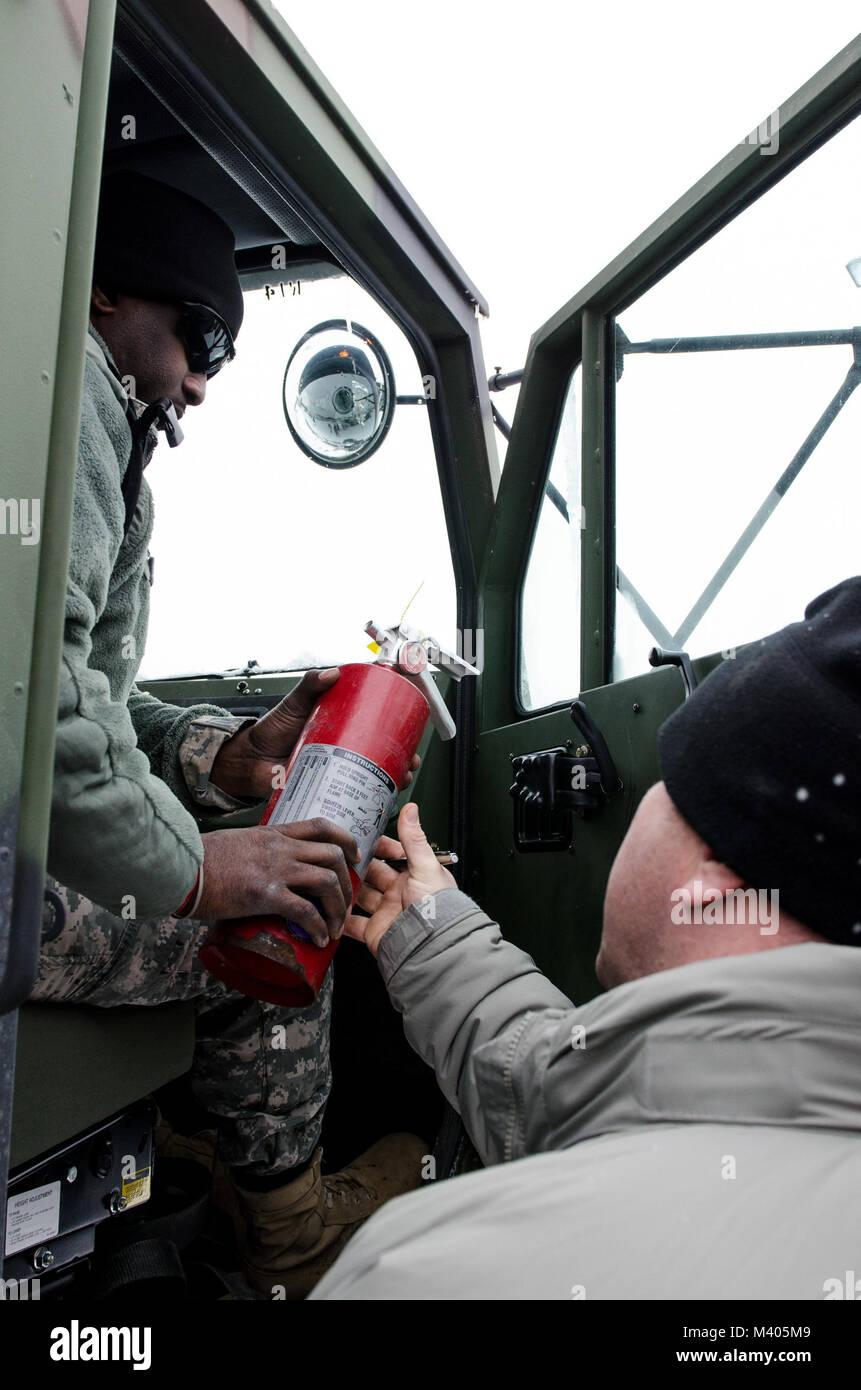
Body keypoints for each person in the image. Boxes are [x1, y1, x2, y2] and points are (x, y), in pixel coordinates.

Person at [32, 171, 425, 1299]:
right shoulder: (71, 407)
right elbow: (42, 723)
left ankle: (181, 1145)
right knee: (278, 910)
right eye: (197, 334)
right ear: (102, 291)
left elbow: (92, 700)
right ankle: (291, 1231)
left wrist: (228, 751)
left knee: (254, 835)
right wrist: (207, 870)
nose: (202, 381)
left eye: (223, 356)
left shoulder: (96, 435)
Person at [311, 577, 861, 1300]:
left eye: (664, 788)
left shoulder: (429, 1271)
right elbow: (564, 1086)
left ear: (714, 890)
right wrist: (430, 932)